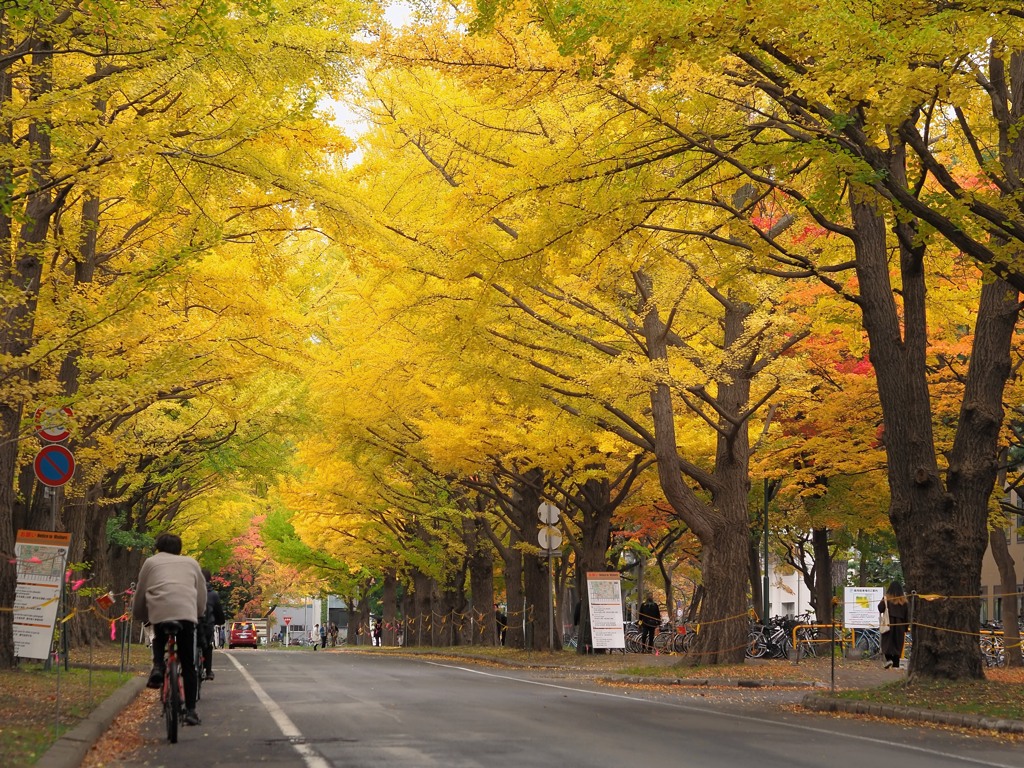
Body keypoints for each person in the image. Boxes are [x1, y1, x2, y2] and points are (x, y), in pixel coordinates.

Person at [132, 532, 206, 726]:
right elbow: (201, 594)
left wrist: (139, 615)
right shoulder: (191, 563)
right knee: (188, 665)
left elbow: (140, 592)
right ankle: (190, 710)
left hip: (160, 611)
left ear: (158, 547)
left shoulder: (150, 563)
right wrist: (198, 613)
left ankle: (158, 666)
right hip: (186, 614)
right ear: (179, 549)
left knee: (159, 637)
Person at [199, 568, 224, 680]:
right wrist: (219, 621)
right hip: (207, 626)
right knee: (208, 646)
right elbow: (219, 612)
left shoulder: (191, 591)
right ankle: (208, 671)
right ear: (209, 579)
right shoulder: (213, 595)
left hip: (192, 624)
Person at [878, 580, 910, 669]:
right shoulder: (904, 601)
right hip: (900, 625)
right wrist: (906, 627)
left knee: (887, 643)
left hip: (889, 624)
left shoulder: (887, 599)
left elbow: (880, 609)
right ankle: (896, 664)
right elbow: (907, 615)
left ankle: (889, 660)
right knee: (898, 644)